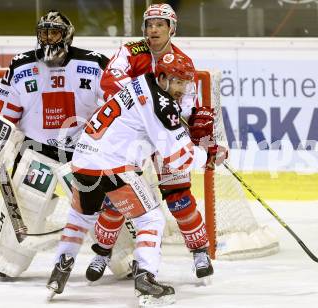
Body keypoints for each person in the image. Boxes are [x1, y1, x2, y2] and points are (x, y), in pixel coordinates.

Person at [46, 53, 222, 305]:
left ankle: (59, 270)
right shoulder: (162, 104)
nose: (182, 89)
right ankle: (145, 280)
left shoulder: (139, 81)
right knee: (151, 218)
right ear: (161, 77)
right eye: (177, 82)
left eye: (185, 83)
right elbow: (178, 158)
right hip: (114, 164)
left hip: (83, 160)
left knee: (79, 217)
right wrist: (209, 155)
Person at [85, 3, 227, 282]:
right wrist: (150, 100)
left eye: (160, 25)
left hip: (163, 134)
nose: (154, 30)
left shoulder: (183, 61)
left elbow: (187, 105)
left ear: (171, 29)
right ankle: (102, 252)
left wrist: (199, 127)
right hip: (132, 135)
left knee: (178, 196)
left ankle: (199, 251)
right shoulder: (131, 50)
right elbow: (110, 79)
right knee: (117, 199)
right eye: (150, 25)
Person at [0, 10, 109, 279]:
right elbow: (5, 112)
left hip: (81, 155)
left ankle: (126, 258)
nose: (48, 38)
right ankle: (7, 260)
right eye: (44, 32)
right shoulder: (20, 65)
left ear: (68, 35)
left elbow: (115, 106)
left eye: (55, 32)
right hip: (37, 152)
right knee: (25, 207)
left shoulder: (95, 63)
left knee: (106, 208)